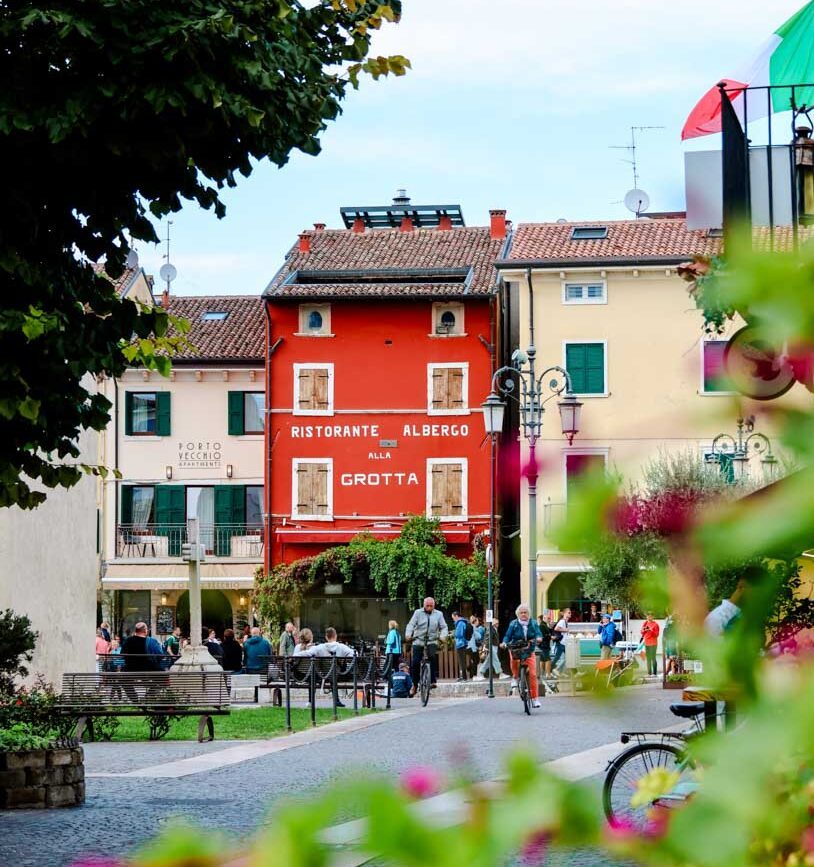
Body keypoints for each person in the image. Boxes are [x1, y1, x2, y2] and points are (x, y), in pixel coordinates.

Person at [404, 597, 449, 696]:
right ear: (424, 605)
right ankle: (414, 685)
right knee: (415, 662)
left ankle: (432, 680)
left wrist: (442, 637)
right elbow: (411, 624)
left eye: (431, 606)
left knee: (432, 657)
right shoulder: (417, 613)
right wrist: (408, 634)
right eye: (427, 606)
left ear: (434, 606)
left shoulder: (439, 614)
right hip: (418, 640)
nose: (429, 608)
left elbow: (444, 627)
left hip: (432, 640)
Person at [501, 604, 543, 708]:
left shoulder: (533, 623)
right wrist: (504, 642)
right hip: (516, 648)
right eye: (521, 612)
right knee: (513, 660)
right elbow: (507, 635)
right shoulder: (514, 624)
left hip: (529, 649)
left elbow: (538, 633)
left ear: (529, 614)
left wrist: (538, 638)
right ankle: (515, 677)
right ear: (518, 614)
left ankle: (535, 699)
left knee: (533, 675)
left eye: (525, 612)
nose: (524, 614)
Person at [308, 627, 355, 708]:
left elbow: (308, 653)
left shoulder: (320, 647)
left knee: (325, 675)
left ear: (326, 637)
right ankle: (336, 701)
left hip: (323, 675)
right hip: (340, 675)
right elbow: (353, 654)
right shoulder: (342, 647)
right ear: (335, 636)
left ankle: (311, 701)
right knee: (333, 675)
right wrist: (345, 659)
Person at [451, 612, 471, 681]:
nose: (453, 620)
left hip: (461, 644)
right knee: (462, 661)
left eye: (453, 618)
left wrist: (454, 634)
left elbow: (459, 634)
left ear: (456, 616)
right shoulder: (463, 622)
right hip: (463, 643)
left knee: (462, 661)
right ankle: (463, 676)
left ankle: (464, 677)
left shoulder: (460, 623)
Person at [551, 608, 571, 674]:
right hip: (561, 643)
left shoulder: (565, 621)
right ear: (564, 613)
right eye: (569, 612)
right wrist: (566, 630)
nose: (570, 614)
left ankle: (575, 672)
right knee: (558, 657)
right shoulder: (562, 621)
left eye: (570, 613)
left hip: (564, 643)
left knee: (568, 658)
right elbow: (556, 628)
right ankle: (552, 670)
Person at [536, 613, 553, 680]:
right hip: (544, 645)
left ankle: (540, 674)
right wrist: (550, 637)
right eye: (548, 618)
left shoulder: (544, 625)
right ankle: (548, 674)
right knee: (548, 660)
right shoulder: (542, 626)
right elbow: (544, 636)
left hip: (543, 645)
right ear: (544, 618)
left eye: (549, 618)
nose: (549, 620)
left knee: (542, 660)